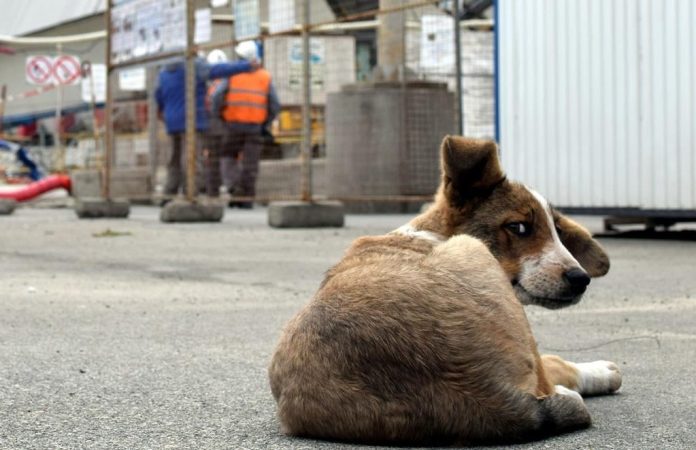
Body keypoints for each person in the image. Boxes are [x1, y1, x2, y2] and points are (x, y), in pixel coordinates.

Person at [155, 55, 254, 203]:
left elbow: (158, 95)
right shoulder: (193, 66)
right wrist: (246, 65)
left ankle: (169, 192)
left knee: (174, 158)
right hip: (192, 119)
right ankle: (191, 193)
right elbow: (217, 70)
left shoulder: (164, 71)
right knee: (192, 157)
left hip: (172, 120)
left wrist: (165, 111)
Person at [212, 40, 280, 209]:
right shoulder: (265, 76)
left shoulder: (232, 74)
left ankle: (234, 189)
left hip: (232, 125)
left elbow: (217, 97)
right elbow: (274, 104)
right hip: (254, 127)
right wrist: (266, 122)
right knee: (250, 164)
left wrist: (219, 116)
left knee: (228, 158)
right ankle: (247, 197)